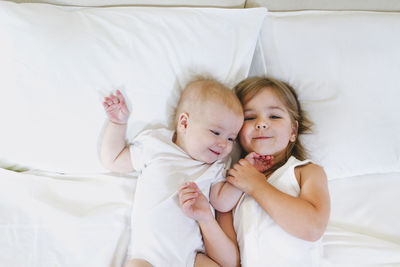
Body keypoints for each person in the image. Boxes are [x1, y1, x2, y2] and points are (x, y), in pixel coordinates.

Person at [179, 76, 330, 267]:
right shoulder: (230, 187)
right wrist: (206, 220)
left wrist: (257, 185)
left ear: (293, 130)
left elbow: (312, 228)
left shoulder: (305, 171)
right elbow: (229, 262)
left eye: (274, 116)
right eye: (250, 118)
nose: (261, 123)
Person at [100, 78, 245, 267]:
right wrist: (118, 125)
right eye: (216, 132)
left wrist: (244, 180)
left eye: (231, 138)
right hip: (148, 257)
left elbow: (222, 201)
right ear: (184, 123)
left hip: (191, 257)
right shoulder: (157, 144)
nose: (224, 144)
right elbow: (114, 160)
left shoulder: (216, 165)